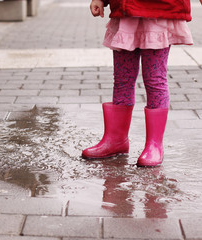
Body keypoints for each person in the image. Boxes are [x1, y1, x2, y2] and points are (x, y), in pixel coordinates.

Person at [82, 0, 201, 167]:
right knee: (122, 78)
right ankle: (116, 140)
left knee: (154, 78)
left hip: (158, 11)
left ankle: (154, 145)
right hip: (125, 11)